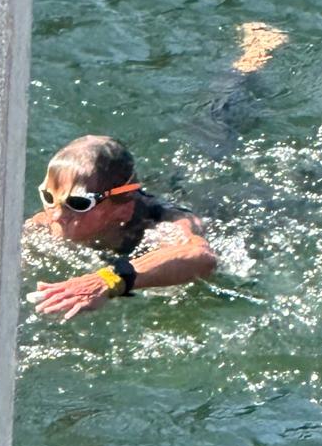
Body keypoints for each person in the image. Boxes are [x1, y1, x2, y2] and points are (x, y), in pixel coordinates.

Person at [25, 133, 218, 320]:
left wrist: (109, 279)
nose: (57, 215)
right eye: (48, 196)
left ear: (123, 210)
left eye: (78, 203)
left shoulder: (162, 224)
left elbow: (202, 257)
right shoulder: (46, 223)